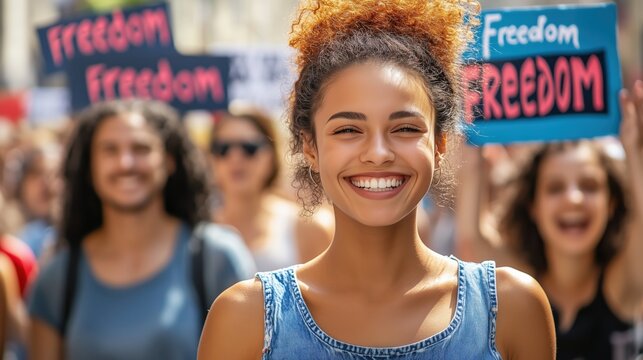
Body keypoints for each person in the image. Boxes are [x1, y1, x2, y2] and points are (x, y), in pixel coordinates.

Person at [198, 1, 556, 359]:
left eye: (405, 128)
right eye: (349, 129)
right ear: (310, 146)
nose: (379, 153)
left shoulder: (512, 309)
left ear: (440, 143)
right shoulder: (246, 318)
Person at [27, 100, 255, 360]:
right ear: (90, 168)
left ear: (169, 161)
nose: (126, 163)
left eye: (141, 148)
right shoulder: (57, 276)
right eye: (110, 150)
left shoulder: (217, 258)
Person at [456, 80, 643, 360]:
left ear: (612, 202)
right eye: (555, 188)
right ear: (533, 206)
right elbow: (472, 240)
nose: (574, 199)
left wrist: (634, 152)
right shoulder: (519, 288)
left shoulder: (624, 285)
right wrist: (475, 150)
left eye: (590, 186)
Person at [209, 108, 333, 271]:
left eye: (249, 148)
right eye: (223, 148)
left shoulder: (310, 227)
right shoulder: (195, 230)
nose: (235, 158)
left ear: (271, 156)